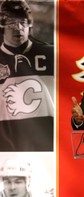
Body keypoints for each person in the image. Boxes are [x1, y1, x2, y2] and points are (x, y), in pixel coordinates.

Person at [0, 0, 54, 151]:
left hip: (47, 144)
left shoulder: (52, 54)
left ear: (30, 24)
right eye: (11, 22)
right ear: (2, 25)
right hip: (6, 147)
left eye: (22, 22)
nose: (18, 28)